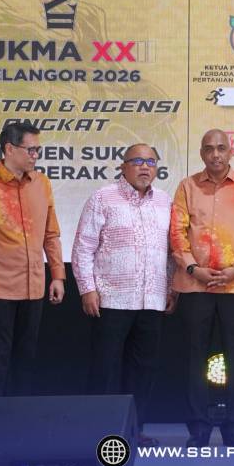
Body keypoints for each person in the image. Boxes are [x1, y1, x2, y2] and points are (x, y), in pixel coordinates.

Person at [0, 122, 65, 452]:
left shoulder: (42, 184)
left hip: (34, 289)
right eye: (30, 149)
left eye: (38, 150)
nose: (35, 155)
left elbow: (51, 234)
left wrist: (58, 274)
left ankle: (20, 434)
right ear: (9, 149)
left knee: (24, 366)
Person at [72, 143, 175, 445]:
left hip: (152, 300)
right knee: (104, 369)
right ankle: (97, 431)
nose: (145, 167)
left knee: (143, 370)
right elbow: (83, 248)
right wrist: (87, 289)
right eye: (137, 161)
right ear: (123, 166)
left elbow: (172, 252)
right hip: (111, 299)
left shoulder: (165, 201)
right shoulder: (102, 198)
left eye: (151, 162)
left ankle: (133, 429)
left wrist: (171, 288)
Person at [170, 129, 234, 447]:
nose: (215, 154)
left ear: (230, 151)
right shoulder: (187, 186)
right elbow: (177, 234)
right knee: (195, 357)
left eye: (221, 148)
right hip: (194, 285)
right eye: (209, 149)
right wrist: (193, 268)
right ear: (201, 153)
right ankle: (198, 426)